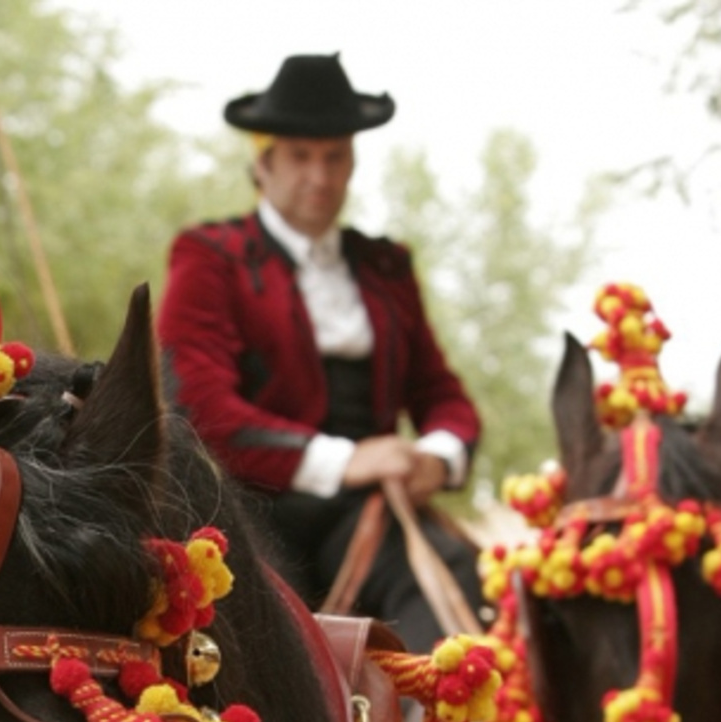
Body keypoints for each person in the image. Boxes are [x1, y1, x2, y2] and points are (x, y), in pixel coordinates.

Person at [156, 52, 483, 655]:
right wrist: (348, 460)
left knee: (474, 583)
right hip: (256, 512)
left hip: (375, 505)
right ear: (264, 163)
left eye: (335, 157)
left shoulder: (386, 266)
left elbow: (442, 395)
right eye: (301, 157)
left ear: (353, 162)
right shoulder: (209, 257)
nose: (320, 176)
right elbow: (199, 407)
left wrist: (436, 457)